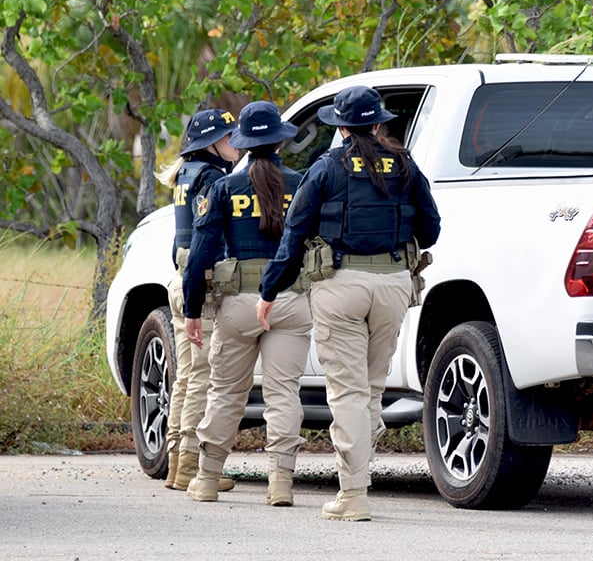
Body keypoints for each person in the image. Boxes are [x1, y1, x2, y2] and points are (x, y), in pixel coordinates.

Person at [257, 85, 440, 521]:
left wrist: (269, 291)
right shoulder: (406, 166)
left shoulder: (326, 169)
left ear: (340, 128)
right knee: (371, 390)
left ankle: (353, 493)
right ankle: (357, 477)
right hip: (394, 284)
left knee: (348, 392)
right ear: (378, 124)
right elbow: (431, 230)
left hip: (340, 286)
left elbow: (293, 235)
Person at [182, 101, 312, 507]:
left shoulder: (224, 188)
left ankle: (206, 479)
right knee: (284, 394)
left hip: (237, 304)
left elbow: (200, 254)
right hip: (290, 301)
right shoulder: (302, 183)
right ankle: (281, 484)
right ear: (279, 142)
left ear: (244, 143)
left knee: (225, 393)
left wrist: (191, 310)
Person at [154, 109, 240, 493]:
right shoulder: (211, 178)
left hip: (181, 277)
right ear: (211, 144)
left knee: (186, 378)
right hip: (198, 282)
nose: (235, 142)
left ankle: (176, 464)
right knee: (202, 378)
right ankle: (190, 466)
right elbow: (209, 238)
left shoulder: (187, 173)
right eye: (228, 136)